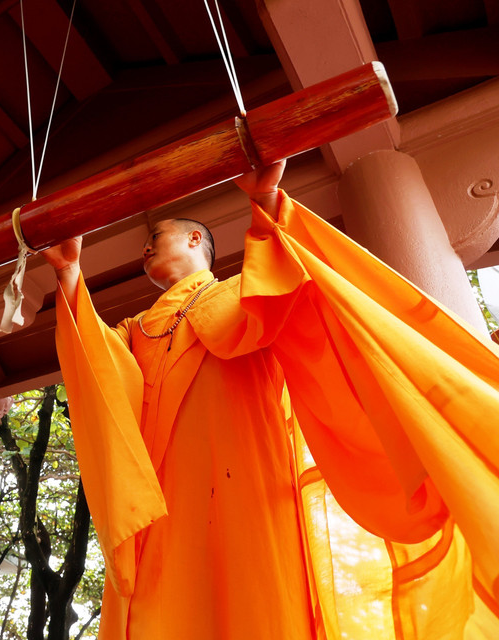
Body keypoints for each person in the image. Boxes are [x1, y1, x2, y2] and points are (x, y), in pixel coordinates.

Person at [42, 160, 499, 640]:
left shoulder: (244, 289)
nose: (145, 245)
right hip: (163, 497)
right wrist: (71, 272)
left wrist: (267, 202)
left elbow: (307, 289)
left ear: (197, 241)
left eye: (158, 234)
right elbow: (98, 367)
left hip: (247, 478)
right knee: (162, 605)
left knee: (255, 601)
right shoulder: (135, 330)